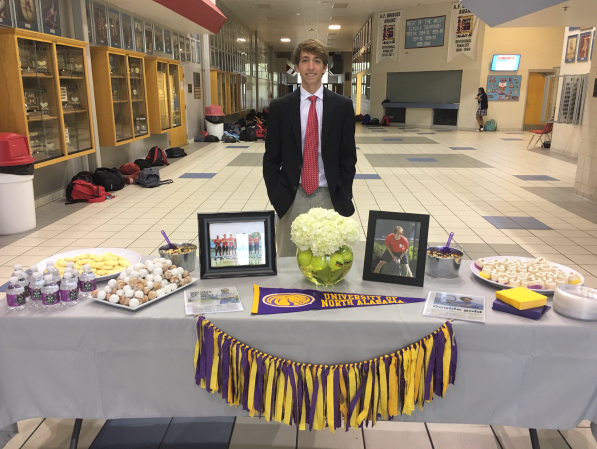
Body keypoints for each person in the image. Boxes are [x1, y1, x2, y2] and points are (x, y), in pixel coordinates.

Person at [263, 39, 357, 257]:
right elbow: (271, 159)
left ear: (325, 67)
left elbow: (348, 156)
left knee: (328, 259)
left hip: (329, 194)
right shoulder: (280, 107)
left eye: (317, 61)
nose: (311, 66)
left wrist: (344, 191)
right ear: (297, 66)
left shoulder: (342, 106)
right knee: (288, 258)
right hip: (292, 195)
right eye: (305, 60)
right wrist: (276, 194)